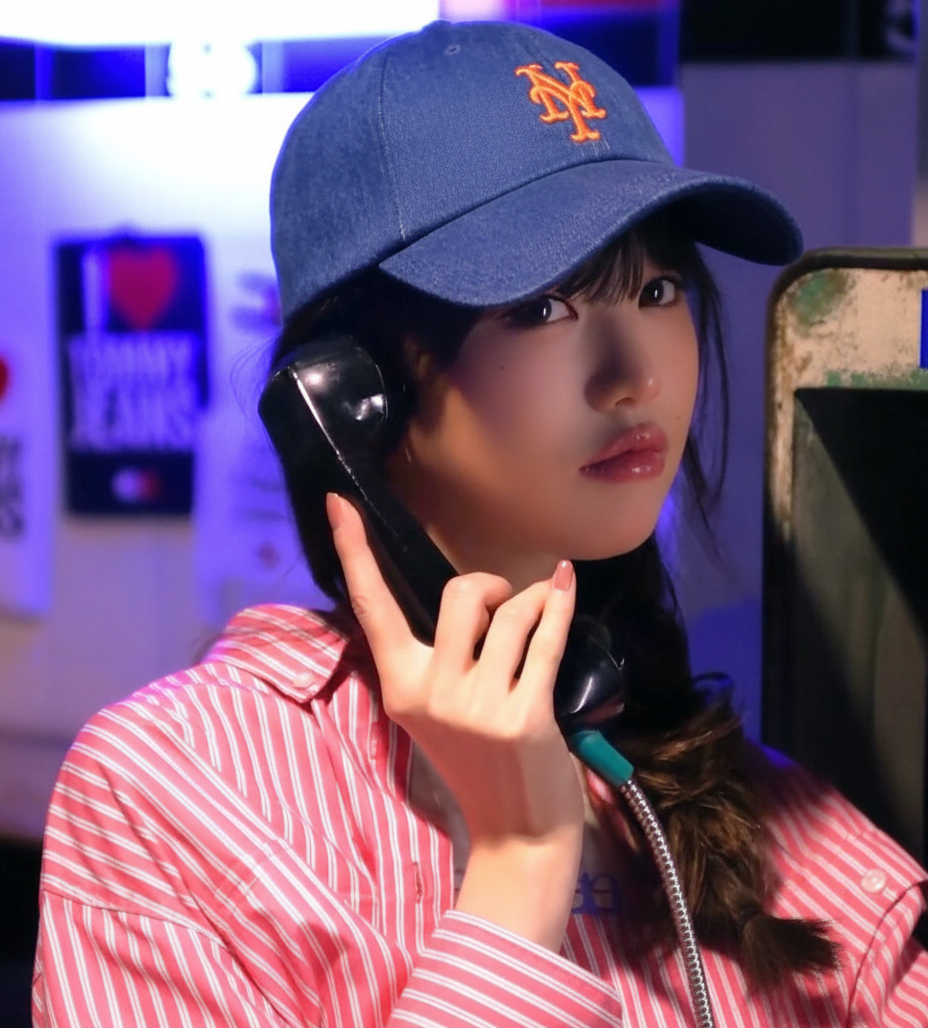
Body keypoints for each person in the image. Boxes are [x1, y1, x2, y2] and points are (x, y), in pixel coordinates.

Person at [33, 19, 927, 1028]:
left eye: (657, 288)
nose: (633, 376)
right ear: (350, 394)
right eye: (541, 308)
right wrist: (519, 866)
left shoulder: (748, 812)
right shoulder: (177, 791)